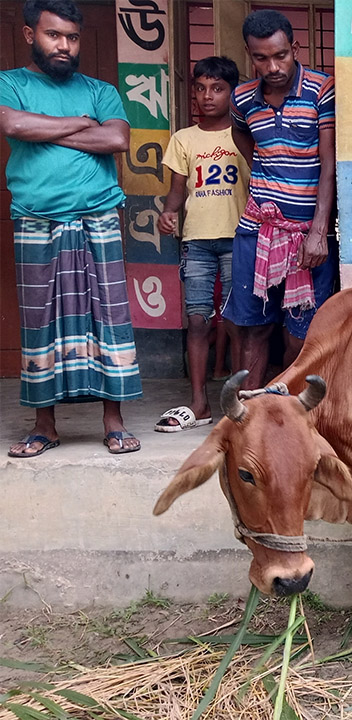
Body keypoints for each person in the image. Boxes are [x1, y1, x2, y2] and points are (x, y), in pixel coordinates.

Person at [1, 0, 142, 457]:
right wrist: (81, 125)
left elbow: (117, 138)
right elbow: (11, 123)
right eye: (53, 35)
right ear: (30, 36)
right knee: (40, 321)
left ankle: (114, 421)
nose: (64, 45)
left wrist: (45, 130)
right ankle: (45, 426)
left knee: (110, 319)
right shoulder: (11, 84)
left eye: (72, 37)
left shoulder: (101, 90)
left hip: (97, 216)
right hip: (36, 220)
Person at [224, 10, 337, 391]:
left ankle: (282, 405)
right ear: (248, 54)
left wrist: (319, 231)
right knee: (253, 329)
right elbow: (245, 143)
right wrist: (269, 170)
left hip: (307, 234)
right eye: (261, 58)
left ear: (295, 48)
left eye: (280, 55)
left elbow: (328, 164)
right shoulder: (241, 98)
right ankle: (246, 416)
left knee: (300, 337)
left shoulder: (322, 89)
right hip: (257, 230)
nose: (272, 66)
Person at [154, 56, 249, 431]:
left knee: (239, 324)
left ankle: (239, 401)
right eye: (201, 88)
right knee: (197, 321)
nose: (208, 96)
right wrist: (167, 213)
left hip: (238, 237)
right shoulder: (183, 138)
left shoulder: (243, 134)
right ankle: (200, 402)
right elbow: (177, 191)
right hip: (197, 241)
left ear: (232, 92)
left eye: (218, 89)